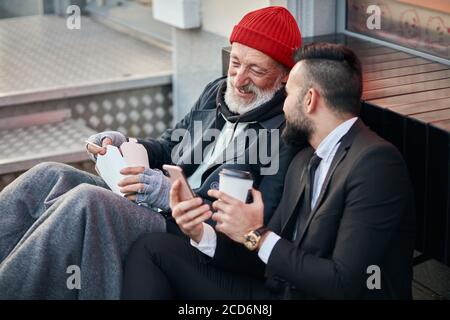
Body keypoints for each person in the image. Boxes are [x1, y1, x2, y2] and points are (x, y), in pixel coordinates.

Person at [0, 6, 302, 299]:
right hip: (153, 201)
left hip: (185, 231)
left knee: (86, 202)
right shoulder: (217, 91)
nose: (238, 80)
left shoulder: (284, 136)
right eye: (235, 62)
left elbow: (249, 227)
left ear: (285, 75)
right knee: (49, 174)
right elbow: (170, 145)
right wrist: (124, 144)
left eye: (256, 70)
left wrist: (169, 196)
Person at [121, 42, 416, 300]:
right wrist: (200, 231)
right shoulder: (304, 159)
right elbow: (263, 252)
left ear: (310, 100)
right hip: (278, 291)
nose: (283, 106)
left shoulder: (375, 163)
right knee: (154, 250)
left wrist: (257, 235)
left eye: (288, 94)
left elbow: (344, 283)